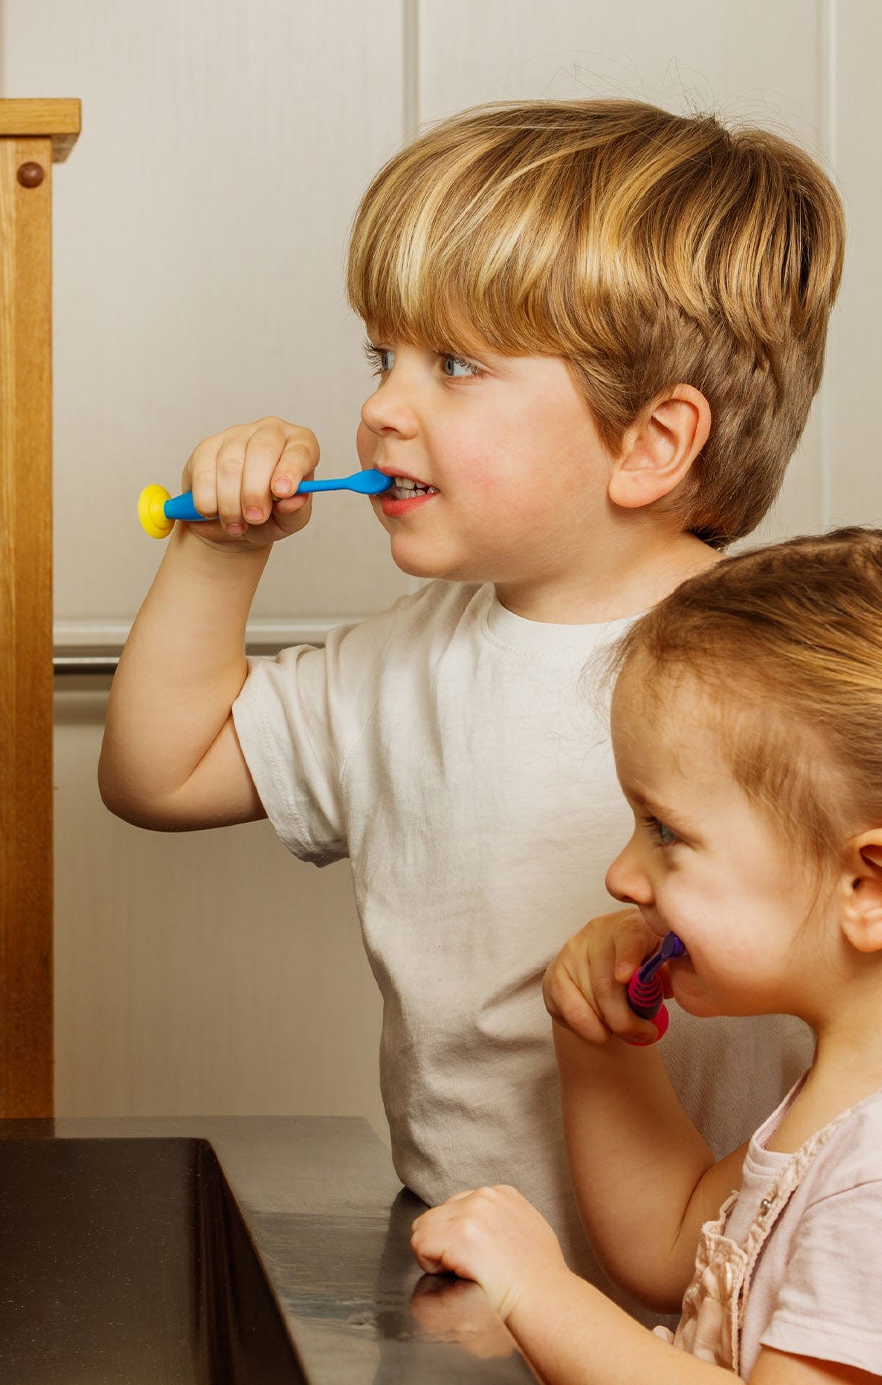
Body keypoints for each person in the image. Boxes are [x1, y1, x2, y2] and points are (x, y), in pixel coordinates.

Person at [99, 99, 845, 1278]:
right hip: (468, 1282)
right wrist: (218, 550)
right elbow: (158, 774)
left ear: (650, 442)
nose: (380, 408)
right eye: (382, 357)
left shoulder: (782, 670)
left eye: (454, 364)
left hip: (734, 1306)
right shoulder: (405, 665)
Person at [410, 530, 882, 1382]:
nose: (622, 876)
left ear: (868, 887)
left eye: (666, 832)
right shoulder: (841, 1104)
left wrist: (536, 1292)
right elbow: (671, 1245)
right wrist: (601, 1043)